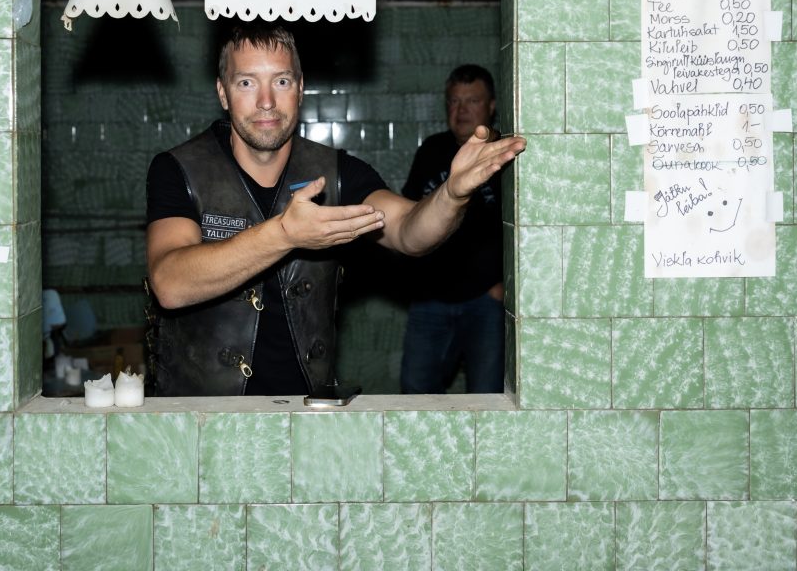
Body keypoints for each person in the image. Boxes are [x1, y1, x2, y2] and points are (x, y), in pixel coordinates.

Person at [144, 26, 526, 397]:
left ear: (300, 88)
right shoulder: (180, 169)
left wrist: (452, 194)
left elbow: (409, 232)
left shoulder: (338, 172)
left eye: (281, 81)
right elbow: (170, 284)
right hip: (202, 414)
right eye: (246, 82)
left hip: (309, 412)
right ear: (223, 93)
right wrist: (283, 235)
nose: (266, 101)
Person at [400, 65, 507, 394]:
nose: (460, 110)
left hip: (485, 300)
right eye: (453, 101)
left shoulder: (503, 155)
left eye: (471, 101)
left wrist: (506, 285)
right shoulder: (431, 150)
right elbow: (407, 215)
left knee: (487, 397)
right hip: (430, 299)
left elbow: (527, 227)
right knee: (415, 394)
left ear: (491, 106)